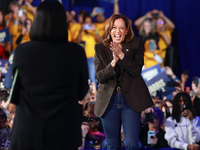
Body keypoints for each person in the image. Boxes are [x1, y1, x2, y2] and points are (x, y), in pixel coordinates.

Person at [8, 1, 89, 150]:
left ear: (37, 21)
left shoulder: (22, 51)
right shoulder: (76, 52)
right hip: (63, 134)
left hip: (27, 132)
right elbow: (82, 93)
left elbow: (16, 91)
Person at [94, 13, 153, 150]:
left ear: (127, 30)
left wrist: (121, 55)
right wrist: (113, 62)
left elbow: (136, 70)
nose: (118, 31)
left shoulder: (136, 44)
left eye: (121, 28)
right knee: (112, 146)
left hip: (130, 100)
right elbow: (100, 77)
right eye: (114, 27)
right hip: (109, 101)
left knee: (132, 144)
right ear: (109, 30)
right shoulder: (100, 48)